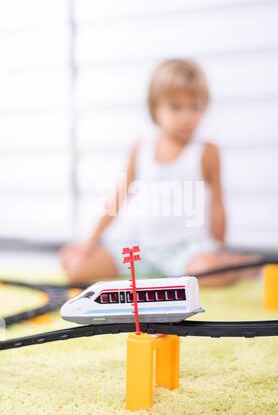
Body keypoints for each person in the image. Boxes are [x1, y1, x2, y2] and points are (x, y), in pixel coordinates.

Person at [60, 59, 258, 286]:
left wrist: (220, 250)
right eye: (176, 107)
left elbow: (217, 206)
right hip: (141, 247)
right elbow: (118, 197)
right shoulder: (141, 149)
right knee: (74, 264)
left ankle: (238, 266)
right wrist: (91, 242)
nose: (187, 116)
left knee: (210, 272)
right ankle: (214, 266)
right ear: (155, 108)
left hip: (186, 250)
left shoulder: (206, 152)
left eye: (195, 107)